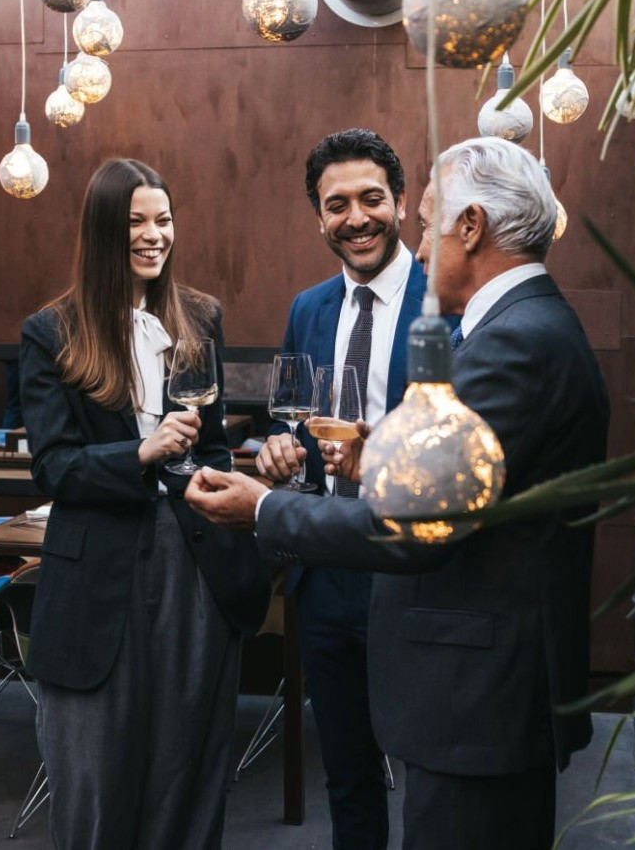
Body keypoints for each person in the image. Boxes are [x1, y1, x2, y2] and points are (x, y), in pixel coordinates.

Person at [187, 137, 610, 850]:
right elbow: (464, 486)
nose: (418, 251)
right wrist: (365, 461)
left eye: (425, 226)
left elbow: (414, 527)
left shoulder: (511, 343)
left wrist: (260, 508)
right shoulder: (530, 326)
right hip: (475, 680)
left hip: (477, 692)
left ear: (468, 227)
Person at [18, 158, 269, 850]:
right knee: (96, 777)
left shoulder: (200, 318)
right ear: (102, 230)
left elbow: (213, 447)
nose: (154, 235)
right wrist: (138, 453)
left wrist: (205, 481)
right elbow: (53, 468)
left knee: (187, 769)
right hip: (98, 571)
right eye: (136, 222)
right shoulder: (51, 333)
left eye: (163, 219)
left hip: (194, 565)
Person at [253, 129, 425, 850]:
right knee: (347, 771)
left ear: (402, 203)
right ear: (316, 217)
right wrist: (275, 450)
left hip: (414, 566)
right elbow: (284, 421)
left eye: (370, 199)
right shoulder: (308, 309)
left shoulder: (449, 299)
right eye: (336, 205)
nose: (355, 218)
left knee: (427, 771)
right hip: (327, 575)